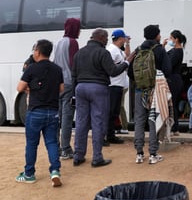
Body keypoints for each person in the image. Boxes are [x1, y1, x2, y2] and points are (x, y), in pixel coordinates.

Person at [72, 28, 130, 168]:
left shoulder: (79, 53)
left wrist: (74, 93)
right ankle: (97, 158)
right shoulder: (102, 52)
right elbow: (113, 71)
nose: (106, 41)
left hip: (80, 88)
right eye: (105, 39)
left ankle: (78, 156)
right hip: (98, 88)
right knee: (98, 122)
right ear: (101, 38)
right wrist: (126, 63)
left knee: (81, 123)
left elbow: (74, 74)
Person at [16, 39, 64, 186]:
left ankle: (29, 174)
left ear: (38, 51)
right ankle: (55, 171)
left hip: (35, 111)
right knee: (51, 142)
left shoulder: (32, 68)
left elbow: (19, 87)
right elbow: (61, 89)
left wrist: (29, 88)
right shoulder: (57, 69)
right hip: (53, 112)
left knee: (31, 144)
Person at [128, 24, 171, 165]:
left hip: (140, 89)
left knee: (139, 121)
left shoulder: (138, 49)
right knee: (153, 119)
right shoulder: (159, 50)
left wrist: (140, 81)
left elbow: (130, 72)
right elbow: (167, 69)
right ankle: (153, 153)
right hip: (155, 90)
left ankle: (139, 154)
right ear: (157, 35)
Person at [52, 17, 81, 160]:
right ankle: (66, 149)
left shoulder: (58, 43)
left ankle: (56, 147)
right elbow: (74, 63)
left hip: (57, 83)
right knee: (67, 118)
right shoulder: (73, 42)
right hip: (69, 82)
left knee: (57, 117)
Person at [104, 29, 131, 146]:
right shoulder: (111, 50)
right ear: (120, 39)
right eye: (124, 38)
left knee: (114, 112)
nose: (125, 40)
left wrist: (128, 44)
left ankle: (111, 135)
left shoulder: (117, 50)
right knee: (110, 112)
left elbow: (127, 56)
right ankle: (106, 136)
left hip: (118, 85)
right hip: (112, 85)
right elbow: (107, 66)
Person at [164, 30, 187, 136]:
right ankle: (173, 127)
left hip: (173, 79)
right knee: (172, 103)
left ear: (176, 39)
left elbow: (168, 64)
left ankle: (174, 127)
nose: (170, 40)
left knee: (172, 103)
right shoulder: (175, 50)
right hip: (175, 79)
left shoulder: (177, 51)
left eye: (171, 38)